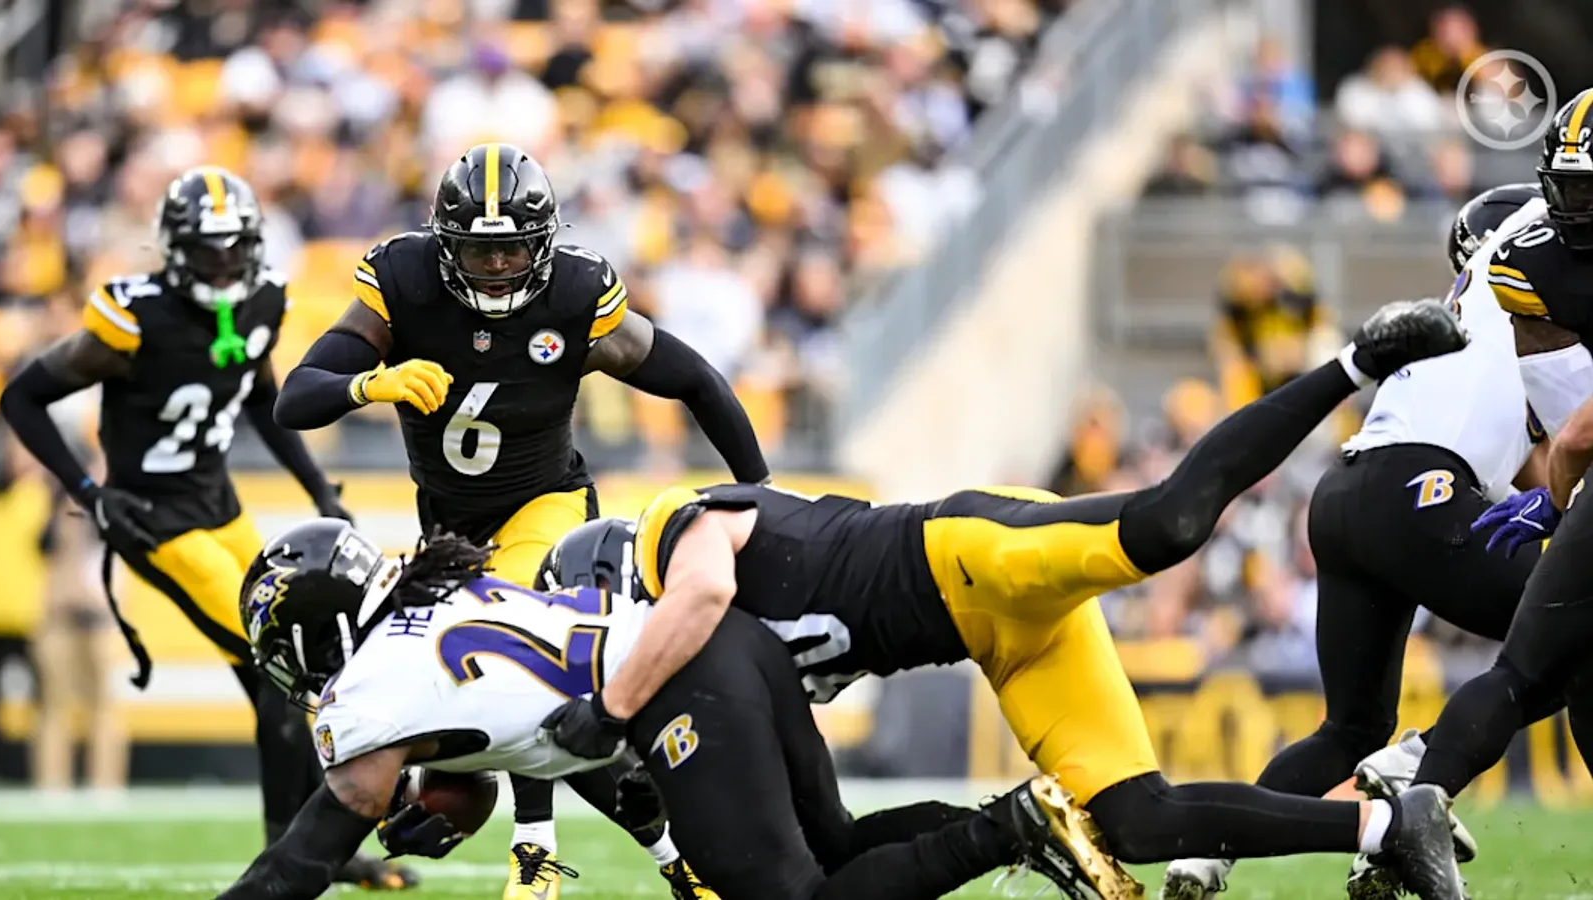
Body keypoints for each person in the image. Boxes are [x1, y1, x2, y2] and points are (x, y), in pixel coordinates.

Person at [539, 299, 1476, 900]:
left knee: (1167, 528)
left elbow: (700, 589)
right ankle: (1388, 821)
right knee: (1139, 823)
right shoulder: (725, 663)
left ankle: (1356, 362)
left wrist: (612, 706)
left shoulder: (675, 532)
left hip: (965, 558)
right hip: (1002, 645)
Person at [271, 142, 768, 900]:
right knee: (516, 702)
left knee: (511, 658)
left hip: (548, 504)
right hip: (448, 530)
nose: (498, 267)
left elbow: (694, 377)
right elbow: (296, 397)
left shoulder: (576, 294)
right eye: (479, 250)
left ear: (543, 245)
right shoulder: (402, 282)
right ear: (445, 244)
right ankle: (680, 859)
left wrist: (759, 488)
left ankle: (534, 855)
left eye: (512, 251)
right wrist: (373, 382)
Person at [214, 518, 1091, 900]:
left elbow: (302, 862)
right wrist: (446, 796)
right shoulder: (431, 604)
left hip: (683, 688)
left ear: (317, 629)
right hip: (720, 646)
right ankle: (1035, 827)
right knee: (839, 842)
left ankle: (1011, 825)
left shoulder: (373, 685)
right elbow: (484, 736)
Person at [0, 167, 406, 889]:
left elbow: (257, 392)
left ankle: (313, 848)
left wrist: (317, 488)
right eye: (206, 250)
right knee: (280, 666)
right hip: (154, 517)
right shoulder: (134, 316)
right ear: (174, 248)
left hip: (220, 506)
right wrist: (89, 491)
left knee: (285, 674)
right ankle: (298, 856)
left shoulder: (262, 297)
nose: (222, 264)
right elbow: (23, 396)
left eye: (232, 248)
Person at [1163, 184, 1551, 899]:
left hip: (1348, 492)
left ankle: (1210, 852)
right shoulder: (1529, 296)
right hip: (1417, 489)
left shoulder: (1476, 321)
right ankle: (1419, 776)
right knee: (1567, 633)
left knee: (1349, 727)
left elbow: (1525, 470)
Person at [1377, 89, 1593, 872]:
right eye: (1569, 190)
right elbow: (1569, 431)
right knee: (1549, 666)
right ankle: (1421, 782)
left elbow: (1570, 437)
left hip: (1397, 475)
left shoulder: (1514, 277)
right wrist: (1563, 497)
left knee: (1538, 666)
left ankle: (1420, 773)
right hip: (1452, 479)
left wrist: (1561, 500)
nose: (1577, 209)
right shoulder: (1528, 273)